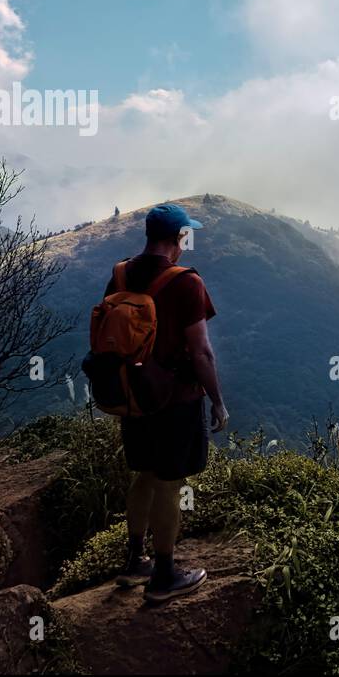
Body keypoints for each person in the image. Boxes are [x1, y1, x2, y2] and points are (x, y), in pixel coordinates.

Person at [109, 203, 228, 603]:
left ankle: (133, 562)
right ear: (178, 238)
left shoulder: (121, 273)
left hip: (134, 395)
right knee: (168, 483)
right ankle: (163, 575)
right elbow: (202, 353)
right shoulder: (186, 282)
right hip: (175, 400)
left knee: (143, 472)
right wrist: (218, 402)